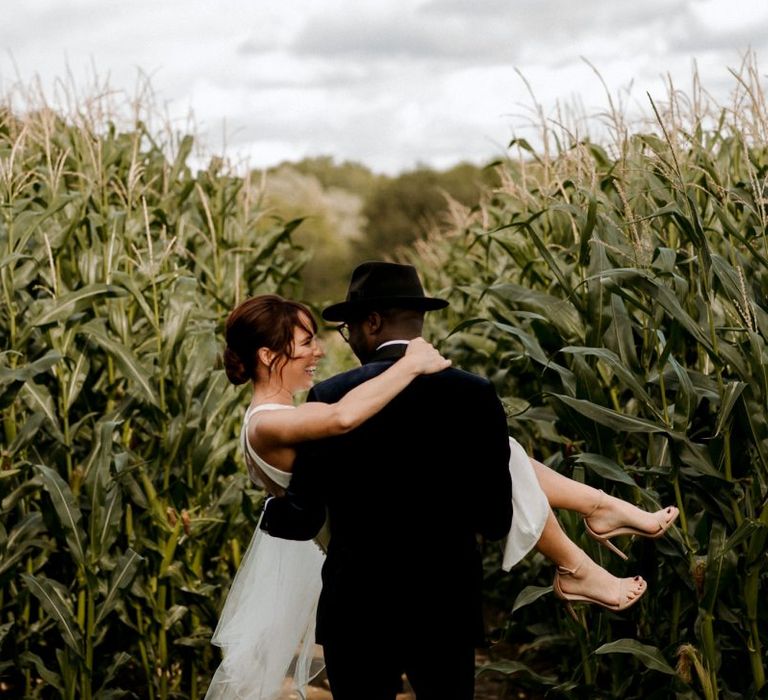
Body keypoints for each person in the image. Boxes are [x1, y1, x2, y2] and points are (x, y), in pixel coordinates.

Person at [259, 261, 678, 699]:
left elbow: (303, 519)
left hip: (359, 609)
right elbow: (496, 519)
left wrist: (271, 501)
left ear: (373, 321)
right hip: (447, 606)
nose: (350, 341)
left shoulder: (331, 396)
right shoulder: (475, 393)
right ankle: (597, 514)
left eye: (349, 330)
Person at [205, 293, 451, 700]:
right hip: (360, 575)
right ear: (268, 355)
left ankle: (592, 511)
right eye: (305, 343)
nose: (318, 352)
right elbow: (341, 417)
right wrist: (410, 363)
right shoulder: (266, 424)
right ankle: (587, 524)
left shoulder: (284, 416)